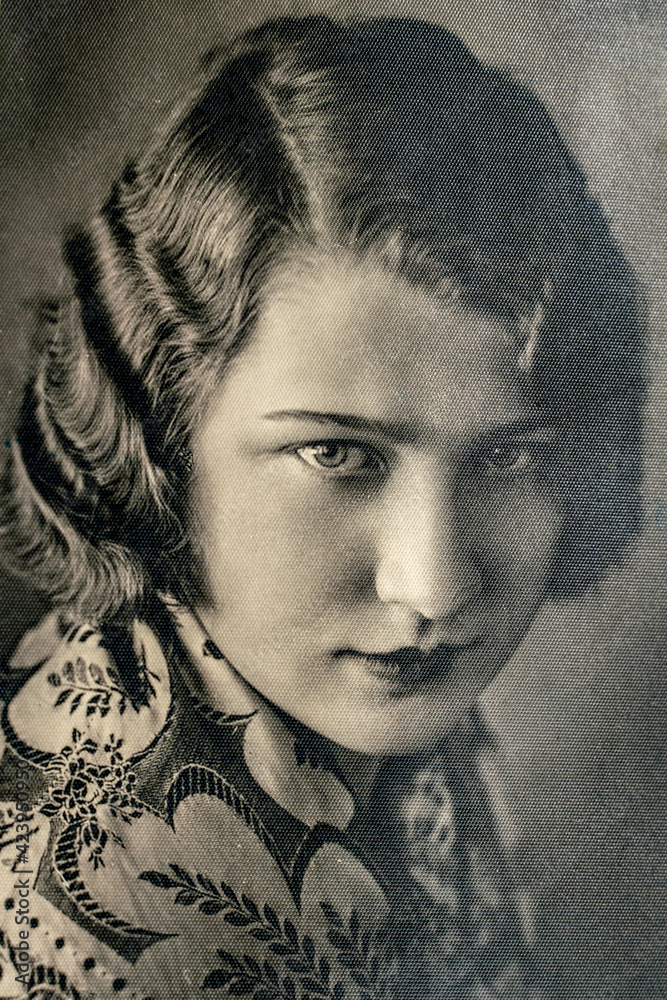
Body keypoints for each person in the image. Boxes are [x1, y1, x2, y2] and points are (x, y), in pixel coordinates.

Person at [0, 15, 644, 1000]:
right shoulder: (100, 896)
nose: (432, 584)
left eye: (510, 455)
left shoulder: (379, 714)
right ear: (160, 426)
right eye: (337, 453)